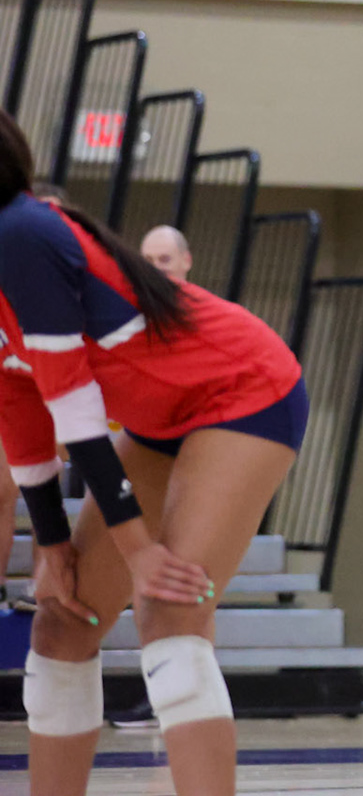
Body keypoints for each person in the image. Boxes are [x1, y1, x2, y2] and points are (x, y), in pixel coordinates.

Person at [0, 111, 308, 796]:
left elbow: (73, 406)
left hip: (242, 389)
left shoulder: (20, 231)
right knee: (62, 622)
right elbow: (19, 404)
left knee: (169, 612)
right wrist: (51, 545)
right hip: (160, 416)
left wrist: (139, 550)